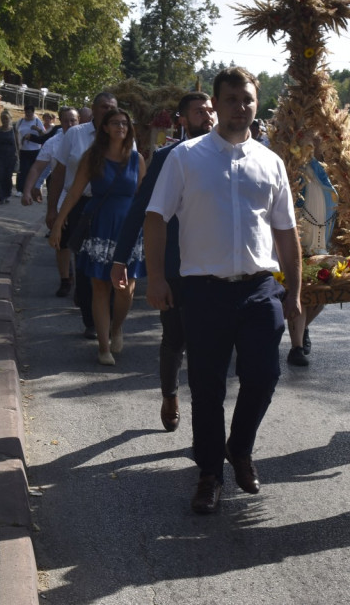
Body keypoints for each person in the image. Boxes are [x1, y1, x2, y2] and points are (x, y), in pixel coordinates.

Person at [145, 66, 302, 515]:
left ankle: (241, 447)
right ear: (216, 105)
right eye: (231, 99)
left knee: (264, 376)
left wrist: (293, 291)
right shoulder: (186, 157)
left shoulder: (270, 162)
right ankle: (210, 473)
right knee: (208, 386)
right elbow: (156, 217)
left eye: (248, 99)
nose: (240, 107)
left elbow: (286, 232)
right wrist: (155, 278)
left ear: (257, 102)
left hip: (258, 288)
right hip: (203, 292)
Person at [110, 92, 215, 431]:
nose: (208, 116)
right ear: (182, 119)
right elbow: (140, 209)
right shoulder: (168, 157)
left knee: (211, 346)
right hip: (176, 267)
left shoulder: (232, 157)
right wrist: (119, 258)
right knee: (175, 338)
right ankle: (170, 394)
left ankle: (207, 423)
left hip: (217, 267)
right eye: (200, 111)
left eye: (211, 110)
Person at [49, 108, 146, 365]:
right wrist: (58, 223)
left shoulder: (137, 160)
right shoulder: (92, 157)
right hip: (100, 226)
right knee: (99, 286)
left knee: (125, 289)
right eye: (115, 123)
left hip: (127, 230)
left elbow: (144, 201)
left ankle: (117, 328)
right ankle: (103, 346)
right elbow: (74, 193)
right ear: (105, 127)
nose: (121, 127)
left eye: (125, 123)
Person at [46, 93, 119, 338]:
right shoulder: (75, 135)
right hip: (80, 205)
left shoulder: (122, 135)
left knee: (109, 265)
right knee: (87, 265)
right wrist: (53, 209)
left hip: (110, 208)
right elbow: (58, 173)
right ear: (93, 109)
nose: (108, 111)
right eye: (103, 107)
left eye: (112, 107)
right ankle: (92, 321)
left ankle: (107, 319)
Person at [22, 107, 79, 296]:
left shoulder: (87, 139)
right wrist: (28, 190)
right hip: (61, 196)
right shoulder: (54, 142)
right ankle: (65, 279)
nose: (70, 125)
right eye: (66, 121)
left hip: (83, 197)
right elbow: (37, 167)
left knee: (81, 242)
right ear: (60, 123)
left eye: (73, 121)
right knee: (61, 241)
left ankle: (82, 283)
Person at [15, 104, 45, 197]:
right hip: (23, 150)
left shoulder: (37, 121)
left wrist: (38, 129)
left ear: (33, 112)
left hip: (35, 150)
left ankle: (34, 188)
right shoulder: (20, 121)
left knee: (34, 170)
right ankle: (20, 189)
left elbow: (44, 135)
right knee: (23, 170)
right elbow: (16, 133)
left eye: (30, 112)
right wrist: (18, 146)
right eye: (26, 112)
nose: (28, 114)